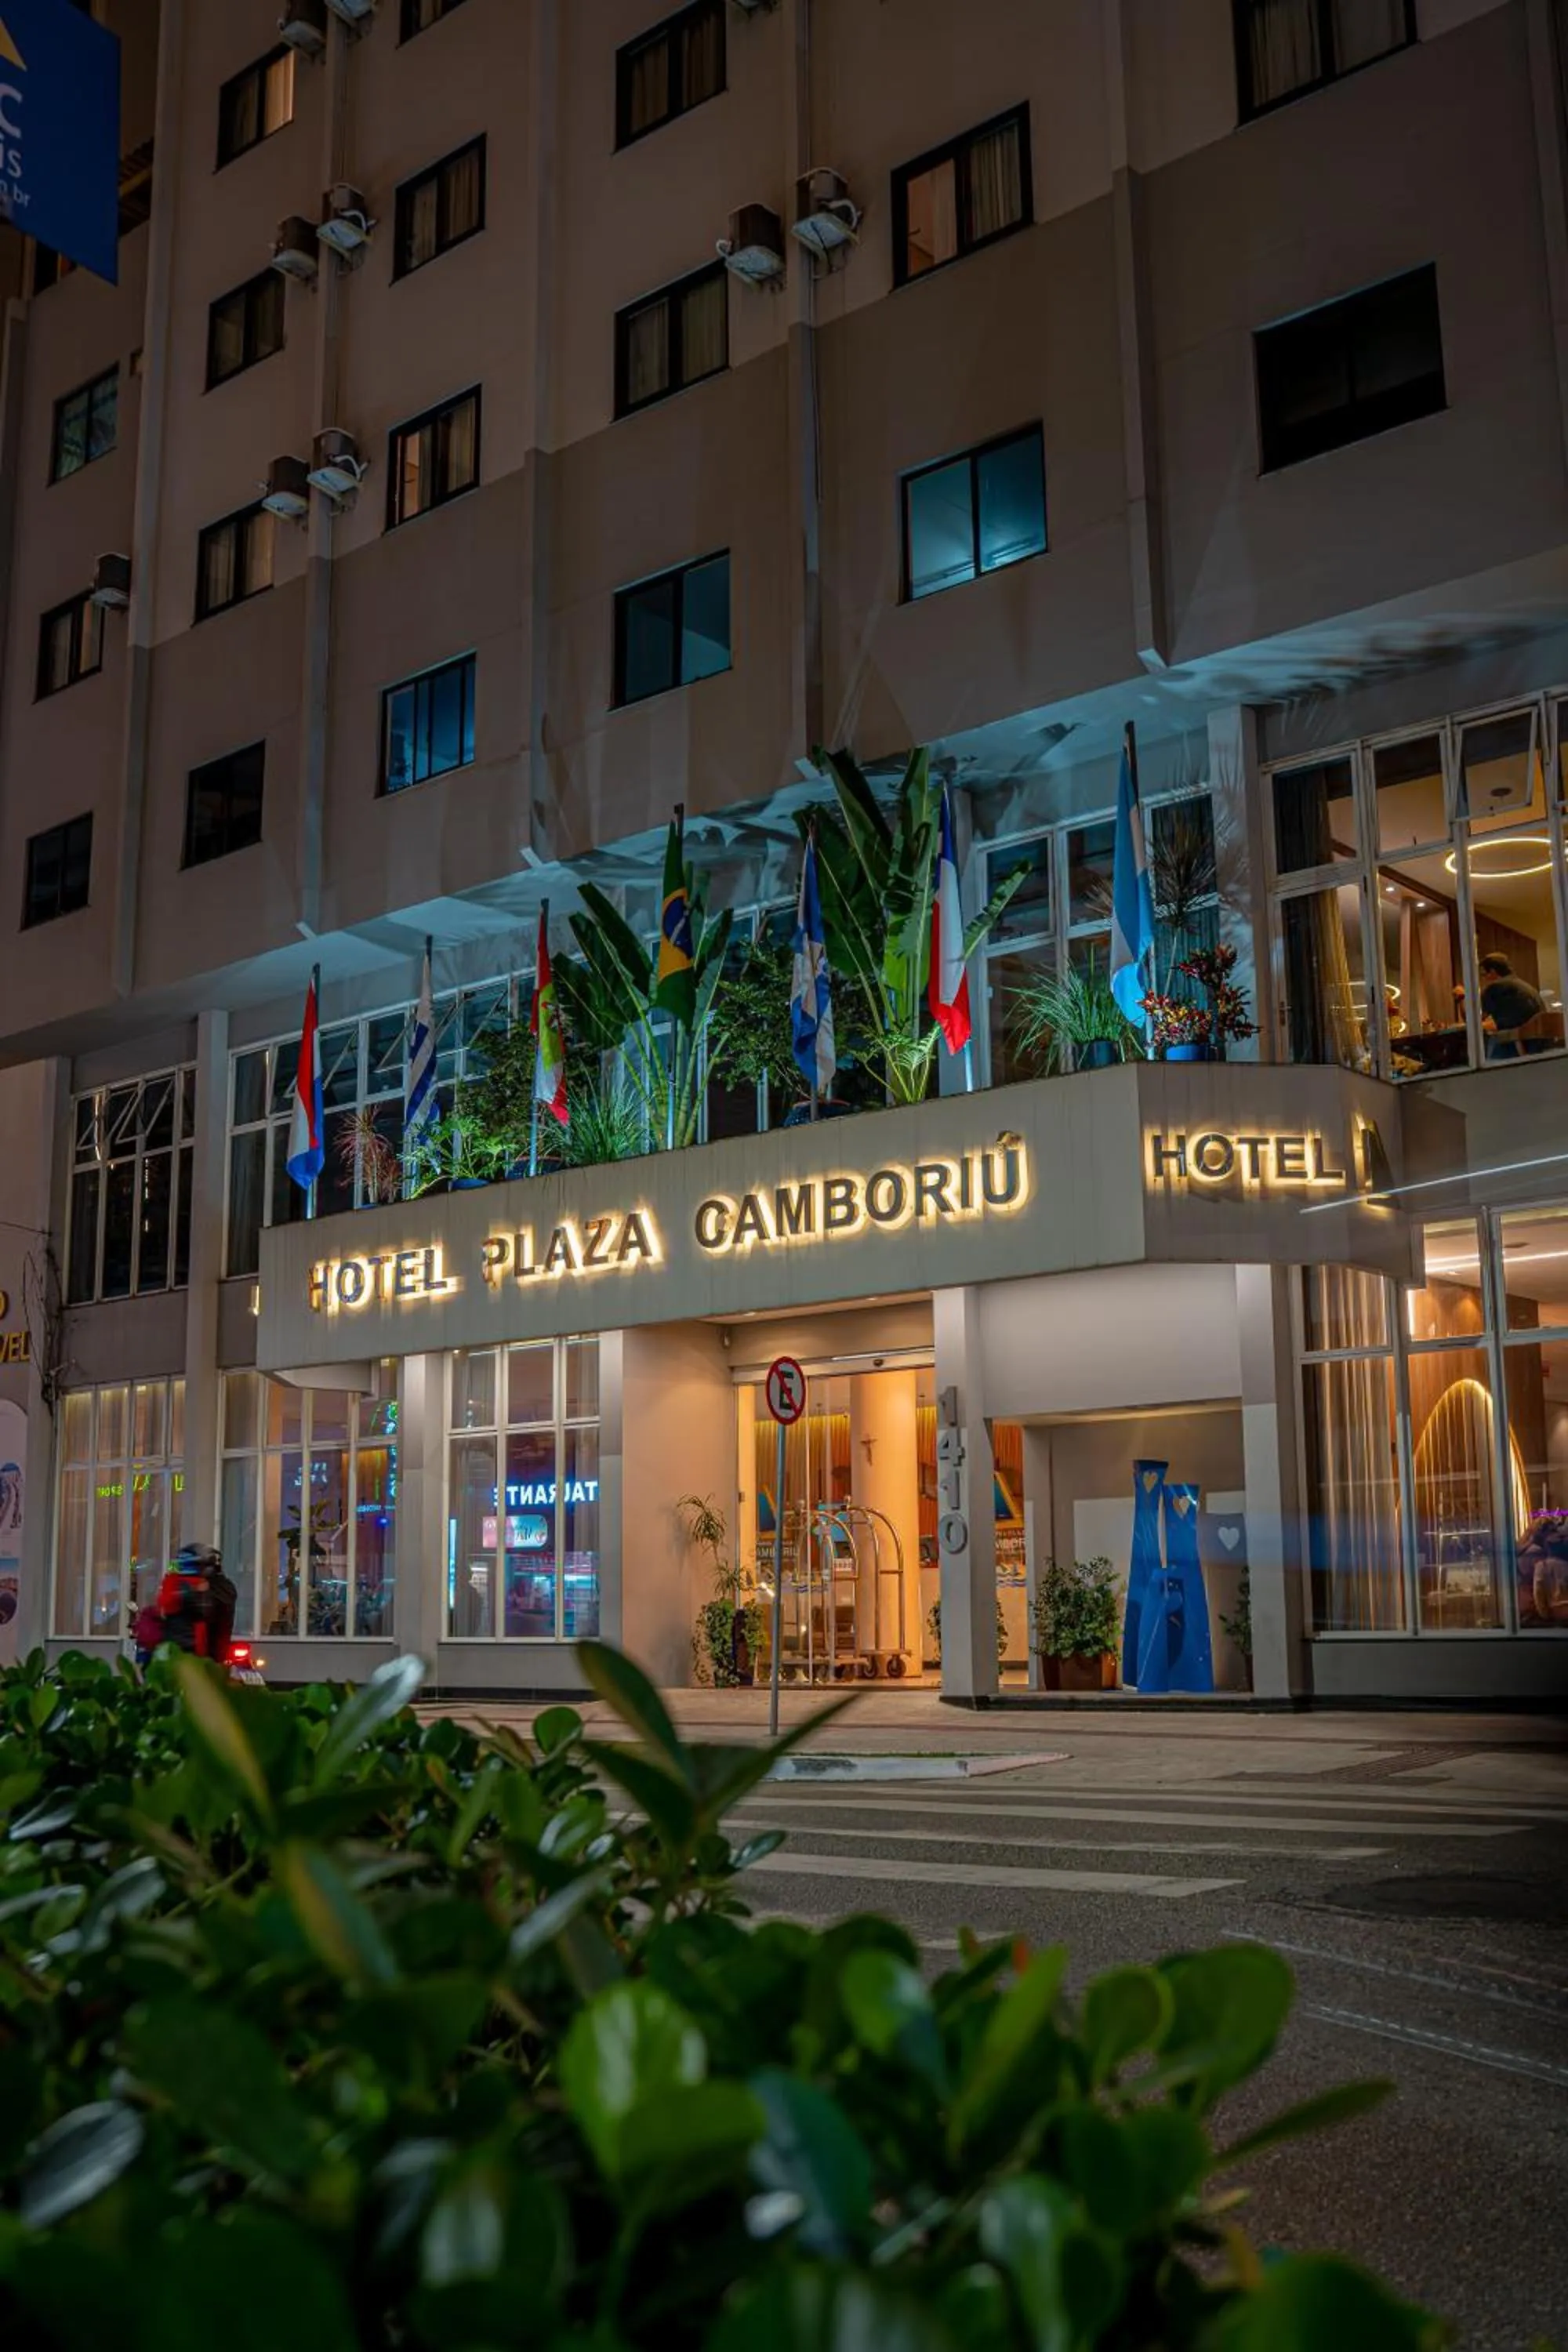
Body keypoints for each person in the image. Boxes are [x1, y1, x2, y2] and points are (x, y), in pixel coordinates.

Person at [1478, 952, 1544, 1056]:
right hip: (1539, 1045)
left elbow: (1480, 1020)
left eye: (1483, 975)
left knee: (1483, 1048)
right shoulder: (1528, 987)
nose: (1484, 979)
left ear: (1492, 972)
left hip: (1517, 1045)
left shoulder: (1493, 989)